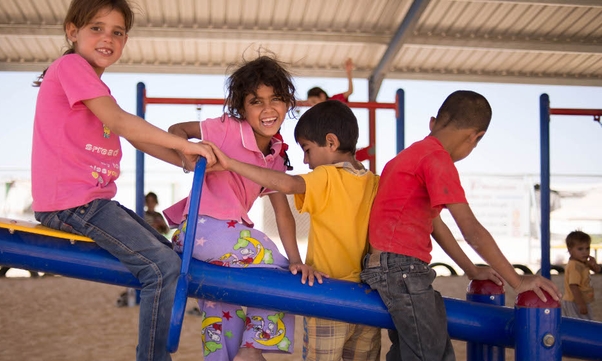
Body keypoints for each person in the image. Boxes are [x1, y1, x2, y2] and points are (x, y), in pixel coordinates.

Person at [30, 1, 216, 360]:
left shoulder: (92, 87)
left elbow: (137, 137)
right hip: (73, 203)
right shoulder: (70, 66)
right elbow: (121, 122)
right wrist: (183, 143)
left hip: (92, 203)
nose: (107, 38)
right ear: (72, 31)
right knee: (162, 268)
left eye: (117, 32)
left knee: (169, 255)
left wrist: (184, 160)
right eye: (96, 28)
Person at [361, 90, 562, 361]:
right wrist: (518, 280)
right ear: (475, 137)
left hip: (396, 268)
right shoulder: (437, 159)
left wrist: (470, 270)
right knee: (428, 355)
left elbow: (436, 224)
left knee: (430, 351)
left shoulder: (408, 157)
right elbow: (471, 230)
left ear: (433, 123)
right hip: (402, 269)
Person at [164, 54, 318, 361]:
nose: (267, 109)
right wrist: (190, 157)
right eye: (256, 102)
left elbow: (283, 212)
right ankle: (253, 348)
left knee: (222, 311)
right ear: (241, 109)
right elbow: (176, 129)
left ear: (287, 103)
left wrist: (296, 259)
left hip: (221, 244)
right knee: (276, 269)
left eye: (275, 99)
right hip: (203, 228)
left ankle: (228, 356)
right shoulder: (227, 130)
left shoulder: (275, 157)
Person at [208, 99, 383, 361]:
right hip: (368, 299)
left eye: (307, 149)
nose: (305, 160)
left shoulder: (328, 176)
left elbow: (287, 184)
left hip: (327, 295)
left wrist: (231, 164)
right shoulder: (375, 182)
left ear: (331, 143)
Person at [563, 230, 601, 320]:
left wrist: (594, 264)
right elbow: (573, 286)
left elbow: (597, 271)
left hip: (582, 300)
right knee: (580, 323)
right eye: (580, 249)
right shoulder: (574, 266)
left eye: (587, 248)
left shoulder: (582, 262)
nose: (585, 252)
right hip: (575, 301)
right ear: (570, 250)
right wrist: (581, 304)